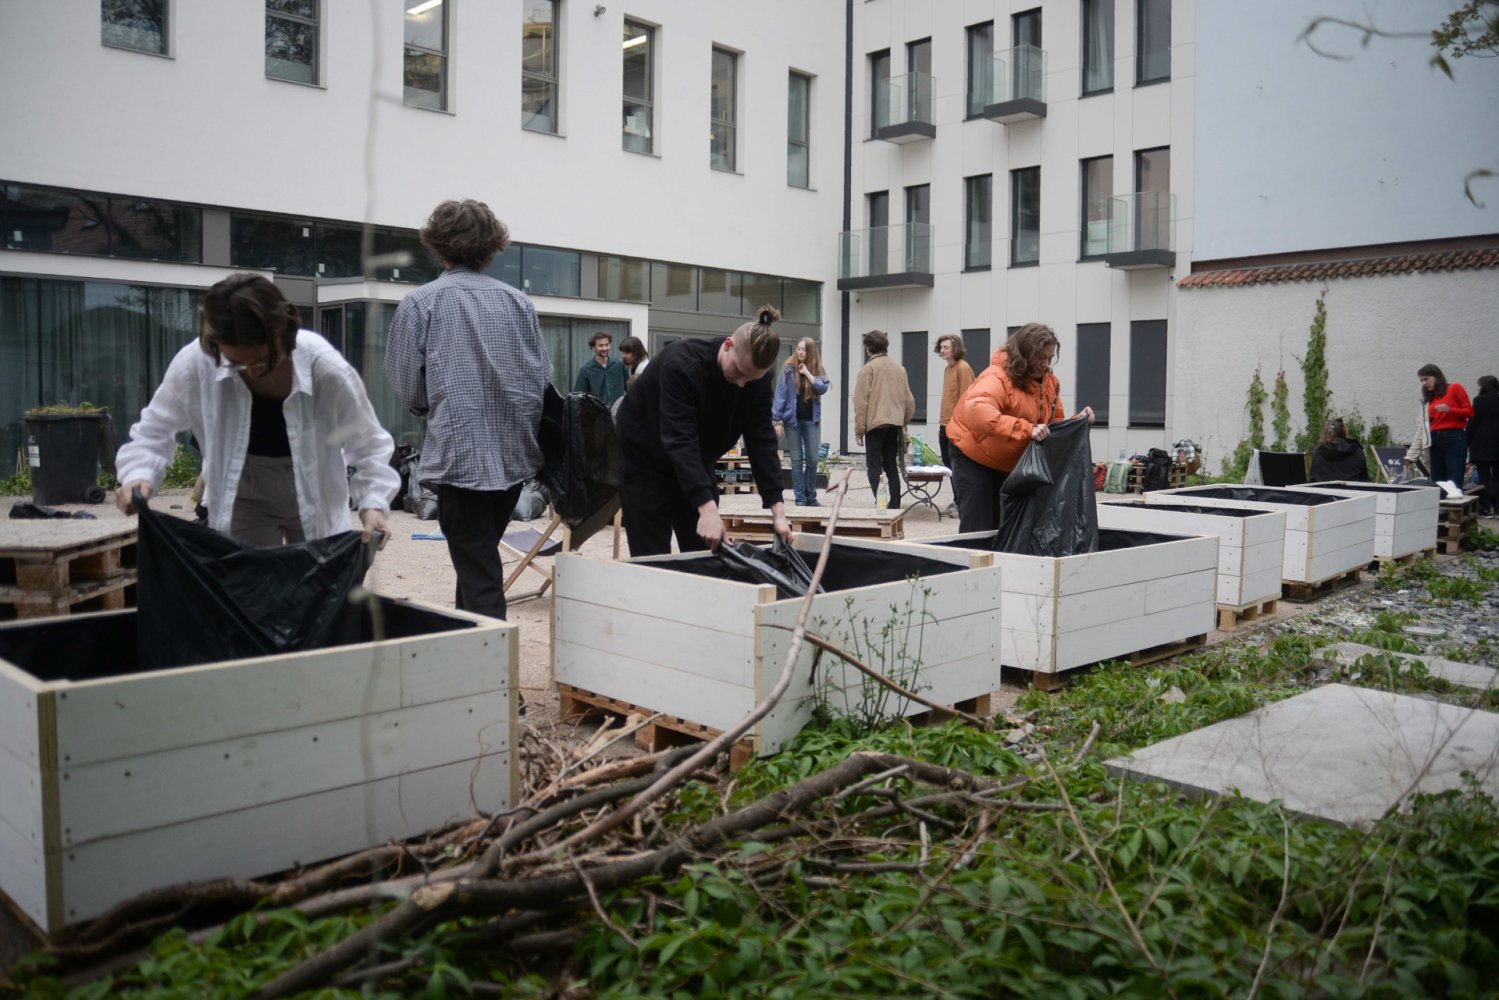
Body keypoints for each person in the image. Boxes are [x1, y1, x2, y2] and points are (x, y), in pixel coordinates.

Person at [115, 274, 397, 547]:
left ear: (283, 333)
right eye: (236, 363)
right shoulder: (196, 363)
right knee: (247, 585)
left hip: (315, 487)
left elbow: (368, 443)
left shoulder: (324, 367)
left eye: (263, 361)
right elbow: (154, 430)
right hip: (241, 489)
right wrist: (138, 475)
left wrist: (372, 506)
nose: (252, 372)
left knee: (321, 584)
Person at [385, 199, 552, 620]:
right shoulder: (518, 303)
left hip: (460, 456)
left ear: (437, 243)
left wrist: (430, 408)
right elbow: (541, 378)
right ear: (492, 245)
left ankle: (496, 676)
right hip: (513, 457)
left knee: (477, 568)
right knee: (475, 559)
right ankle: (472, 653)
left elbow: (406, 384)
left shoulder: (421, 303)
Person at [614, 306, 792, 556]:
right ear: (728, 344)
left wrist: (779, 512)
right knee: (652, 559)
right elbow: (679, 439)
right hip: (646, 462)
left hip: (697, 459)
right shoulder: (681, 365)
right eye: (739, 372)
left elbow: (762, 440)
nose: (742, 384)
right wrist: (707, 509)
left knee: (706, 551)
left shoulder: (757, 379)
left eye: (750, 379)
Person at [945, 323, 1095, 533]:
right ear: (1024, 353)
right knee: (979, 527)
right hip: (973, 456)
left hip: (1006, 461)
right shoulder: (997, 376)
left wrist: (1076, 422)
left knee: (1008, 526)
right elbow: (977, 411)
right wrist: (1027, 429)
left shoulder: (1050, 384)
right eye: (1040, 357)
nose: (1045, 363)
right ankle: (973, 564)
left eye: (1050, 358)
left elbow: (1052, 426)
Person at [852, 330, 915, 510]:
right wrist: (903, 420)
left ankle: (881, 504)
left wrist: (859, 430)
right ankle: (894, 505)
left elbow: (860, 402)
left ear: (868, 348)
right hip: (894, 424)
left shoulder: (867, 370)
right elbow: (909, 400)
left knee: (874, 467)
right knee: (891, 467)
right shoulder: (900, 369)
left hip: (875, 425)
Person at [772, 337, 831, 507]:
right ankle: (800, 498)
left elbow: (822, 388)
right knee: (796, 459)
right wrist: (777, 420)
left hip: (811, 420)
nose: (800, 352)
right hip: (792, 421)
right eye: (798, 348)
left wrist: (807, 373)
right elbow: (780, 394)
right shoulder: (788, 367)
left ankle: (811, 496)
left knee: (812, 459)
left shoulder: (817, 369)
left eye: (804, 349)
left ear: (810, 351)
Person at [934, 333, 976, 514]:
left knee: (958, 466)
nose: (942, 350)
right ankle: (957, 500)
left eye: (946, 347)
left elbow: (967, 398)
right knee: (948, 465)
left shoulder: (963, 368)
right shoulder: (947, 369)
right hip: (944, 424)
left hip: (956, 426)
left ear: (956, 348)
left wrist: (960, 425)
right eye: (941, 347)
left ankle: (962, 504)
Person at [1418, 363, 1473, 487]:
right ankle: (1440, 504)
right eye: (1421, 381)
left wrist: (1450, 409)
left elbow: (1470, 412)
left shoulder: (1454, 388)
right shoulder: (1430, 397)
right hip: (1435, 438)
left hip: (1453, 436)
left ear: (1436, 376)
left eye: (1426, 379)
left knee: (1454, 477)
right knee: (1438, 479)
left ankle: (1455, 503)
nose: (1424, 383)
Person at [1468, 374, 1499, 515]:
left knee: (1484, 477)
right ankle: (1498, 507)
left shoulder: (1479, 401)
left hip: (1482, 445)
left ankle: (1487, 506)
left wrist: (1466, 441)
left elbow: (1473, 423)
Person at [574, 331, 627, 407]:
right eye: (601, 345)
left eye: (607, 345)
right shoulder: (585, 370)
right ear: (593, 348)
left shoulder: (618, 365)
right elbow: (579, 397)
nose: (605, 348)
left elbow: (629, 388)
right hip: (598, 415)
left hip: (618, 413)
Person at [1308, 417, 1369, 482]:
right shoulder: (1357, 451)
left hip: (1325, 491)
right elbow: (1364, 479)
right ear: (1345, 431)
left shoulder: (1318, 454)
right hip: (1353, 490)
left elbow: (1314, 479)